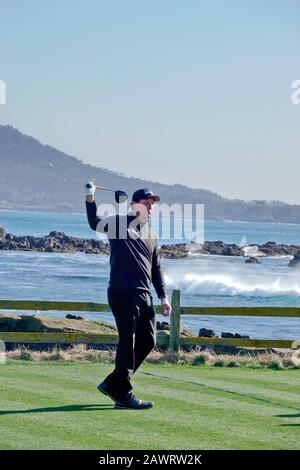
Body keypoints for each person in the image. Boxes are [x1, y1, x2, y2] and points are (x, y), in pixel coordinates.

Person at [84, 182, 171, 410]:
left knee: (148, 340)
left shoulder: (151, 236)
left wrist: (163, 297)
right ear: (134, 204)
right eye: (146, 203)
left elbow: (156, 270)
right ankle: (124, 394)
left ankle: (114, 382)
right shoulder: (119, 223)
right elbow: (95, 223)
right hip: (122, 292)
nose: (150, 208)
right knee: (127, 340)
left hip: (145, 295)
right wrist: (90, 198)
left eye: (152, 205)